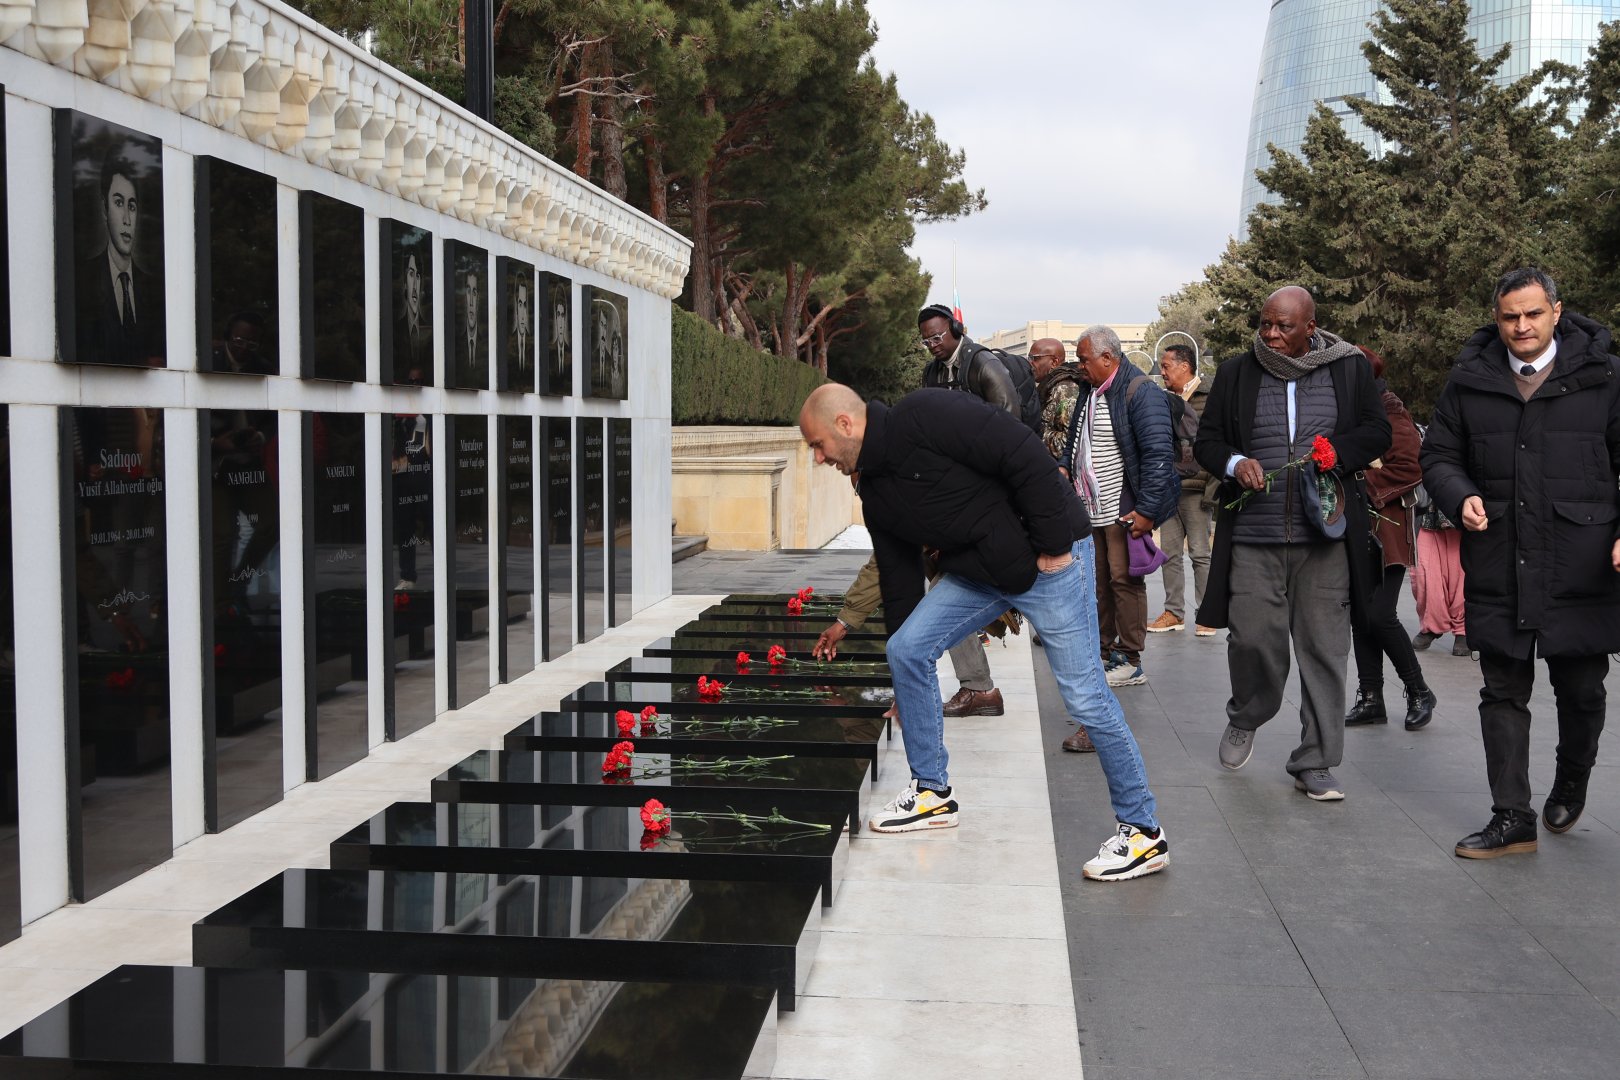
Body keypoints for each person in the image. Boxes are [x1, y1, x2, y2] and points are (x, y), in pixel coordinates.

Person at [799, 383, 1167, 881]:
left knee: (1084, 695)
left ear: (846, 424)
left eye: (818, 445)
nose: (820, 459)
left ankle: (1143, 833)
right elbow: (900, 582)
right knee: (907, 648)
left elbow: (1019, 451)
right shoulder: (877, 493)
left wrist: (1056, 541)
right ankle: (931, 793)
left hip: (1049, 563)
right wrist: (908, 693)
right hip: (982, 574)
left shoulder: (926, 413)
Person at [1420, 267, 1620, 858]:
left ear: (1557, 312)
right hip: (1501, 559)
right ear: (1497, 318)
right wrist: (1459, 496)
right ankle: (1512, 817)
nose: (1522, 326)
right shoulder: (1469, 381)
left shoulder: (1604, 376)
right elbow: (1440, 455)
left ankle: (1573, 778)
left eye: (1533, 314)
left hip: (1580, 562)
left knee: (1581, 689)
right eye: (1510, 317)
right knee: (1502, 689)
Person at [1194, 286, 1390, 801]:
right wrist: (1236, 464)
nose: (1272, 335)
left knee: (1325, 649)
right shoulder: (1238, 372)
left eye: (1283, 327)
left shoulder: (1348, 369)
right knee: (1252, 639)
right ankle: (1249, 714)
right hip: (1255, 537)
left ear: (1310, 327)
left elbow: (1378, 433)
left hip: (1324, 537)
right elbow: (1207, 441)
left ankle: (1316, 760)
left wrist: (1338, 452)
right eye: (1265, 325)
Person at [1061, 326, 1179, 689]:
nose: (1080, 366)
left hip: (1122, 509)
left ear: (1108, 358)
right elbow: (1075, 440)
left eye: (1084, 359)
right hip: (1090, 508)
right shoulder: (1090, 390)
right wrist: (1065, 466)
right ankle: (1103, 651)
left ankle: (1130, 659)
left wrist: (1146, 511)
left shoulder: (1141, 391)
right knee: (1098, 584)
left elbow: (1159, 456)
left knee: (1124, 581)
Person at [1344, 349, 1436, 731]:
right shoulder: (1353, 410)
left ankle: (1419, 691)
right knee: (1361, 615)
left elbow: (1409, 467)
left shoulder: (1390, 410)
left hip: (1388, 528)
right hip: (1356, 525)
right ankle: (1370, 697)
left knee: (1380, 614)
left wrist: (1357, 484)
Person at [1148, 343, 1216, 637]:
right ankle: (1173, 612)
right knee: (1170, 553)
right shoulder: (1163, 400)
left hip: (1198, 490)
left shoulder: (1209, 398)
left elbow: (1219, 441)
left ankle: (1207, 614)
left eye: (1166, 366)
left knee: (1201, 553)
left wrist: (1213, 486)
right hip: (1168, 488)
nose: (1162, 372)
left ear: (1184, 366)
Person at [75, 150, 165, 367]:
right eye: (118, 203)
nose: (126, 218)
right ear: (104, 208)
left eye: (131, 207)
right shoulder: (82, 280)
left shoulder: (154, 287)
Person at [1410, 450, 1469, 656]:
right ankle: (1432, 625)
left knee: (1460, 574)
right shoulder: (1430, 435)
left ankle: (1463, 630)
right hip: (1430, 513)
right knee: (1423, 572)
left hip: (1463, 513)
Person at [1029, 337, 1083, 461]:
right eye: (1029, 358)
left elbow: (1067, 442)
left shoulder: (1066, 389)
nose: (1030, 363)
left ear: (1054, 362)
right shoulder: (1049, 386)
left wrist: (1033, 434)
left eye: (1035, 358)